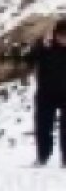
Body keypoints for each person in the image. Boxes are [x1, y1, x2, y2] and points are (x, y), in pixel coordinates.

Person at [26, 17, 66, 167]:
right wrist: (39, 47)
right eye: (62, 35)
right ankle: (42, 156)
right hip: (46, 94)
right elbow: (29, 60)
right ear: (56, 34)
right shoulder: (45, 46)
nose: (64, 39)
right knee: (43, 127)